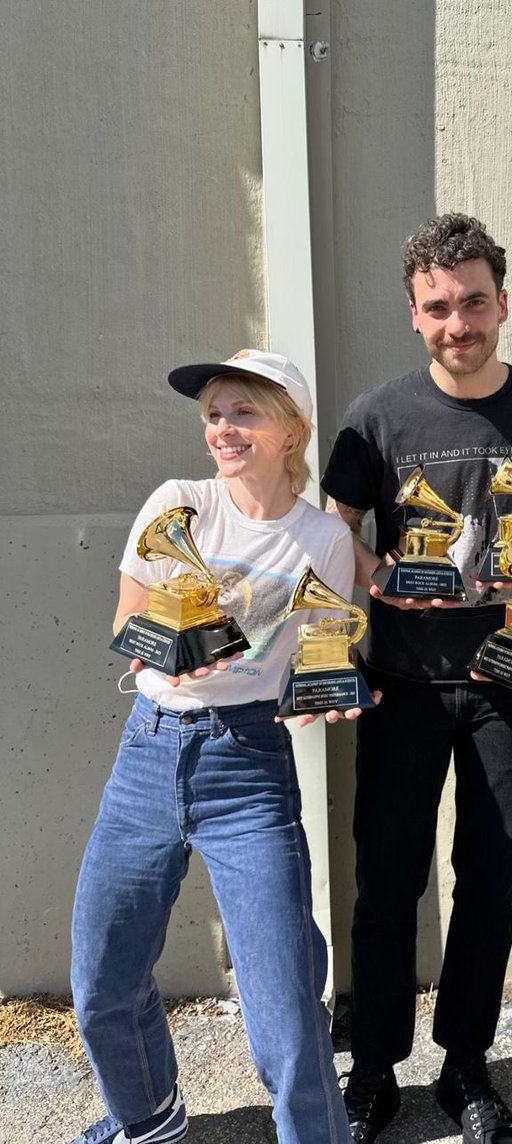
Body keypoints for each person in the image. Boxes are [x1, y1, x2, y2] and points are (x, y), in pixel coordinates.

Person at [321, 213, 512, 1144]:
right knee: (387, 880)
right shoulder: (376, 416)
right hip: (399, 682)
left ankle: (467, 1065)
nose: (457, 323)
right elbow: (334, 526)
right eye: (437, 307)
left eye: (474, 302)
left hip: (510, 688)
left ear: (502, 303)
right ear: (414, 314)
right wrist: (379, 576)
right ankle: (375, 1070)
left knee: (491, 878)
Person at [69, 350, 357, 1144]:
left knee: (286, 1019)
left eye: (244, 412)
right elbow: (127, 619)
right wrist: (171, 645)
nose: (222, 429)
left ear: (292, 428)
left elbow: (324, 646)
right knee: (100, 979)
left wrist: (323, 693)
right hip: (150, 752)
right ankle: (149, 1116)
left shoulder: (323, 538)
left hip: (249, 765)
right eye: (214, 414)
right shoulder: (180, 502)